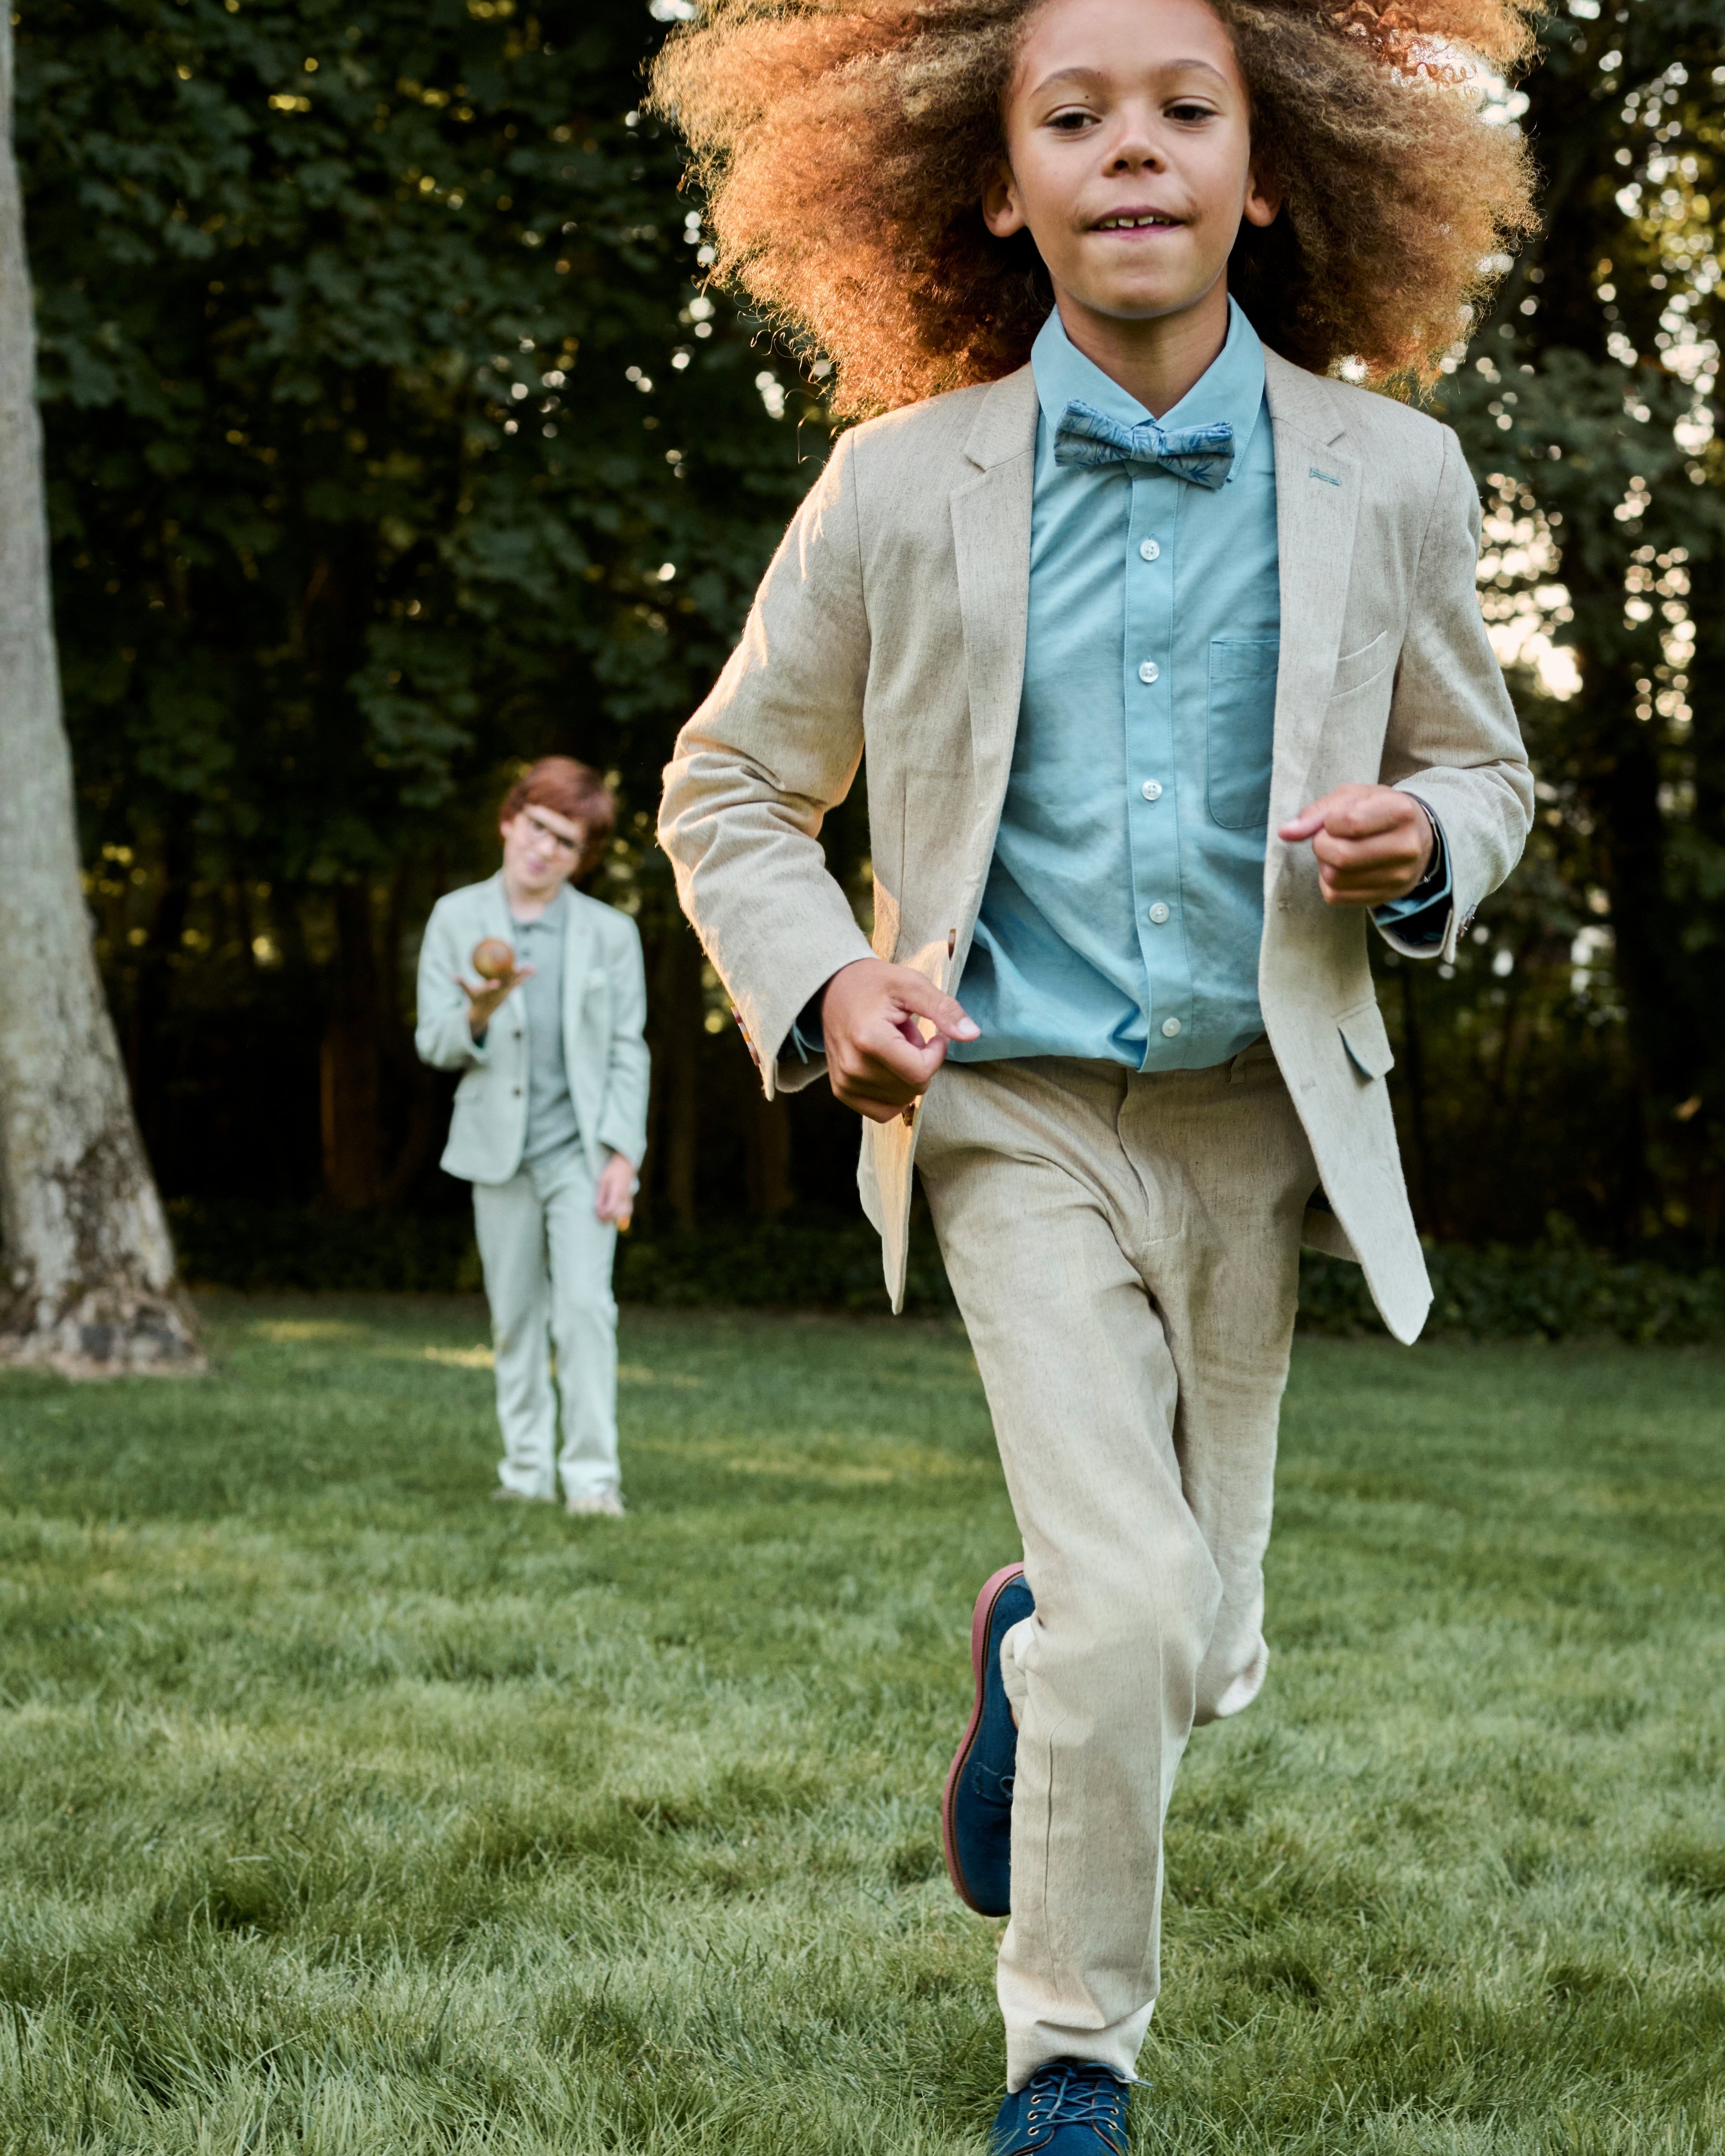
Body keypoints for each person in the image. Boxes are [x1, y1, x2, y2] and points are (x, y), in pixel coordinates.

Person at [657, 0, 1538, 2142]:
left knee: (1190, 1649)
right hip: (1013, 1110)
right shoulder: (896, 485)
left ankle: (1033, 1649)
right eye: (1076, 116)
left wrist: (1428, 844)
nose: (1131, 151)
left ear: (1268, 172)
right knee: (1145, 1617)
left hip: (1262, 1118)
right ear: (994, 182)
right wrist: (828, 992)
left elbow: (1485, 768)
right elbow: (733, 788)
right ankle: (1072, 2060)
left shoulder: (1391, 475)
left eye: (1183, 113)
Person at [416, 757, 649, 1518]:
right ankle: (524, 1473)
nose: (547, 850)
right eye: (540, 829)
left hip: (582, 1155)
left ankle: (591, 1480)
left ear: (581, 858)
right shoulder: (456, 919)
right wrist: (480, 1012)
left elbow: (628, 1048)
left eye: (567, 843)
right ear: (510, 820)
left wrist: (624, 1153)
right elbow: (434, 1042)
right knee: (514, 1316)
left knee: (584, 1310)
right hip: (496, 1151)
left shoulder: (610, 934)